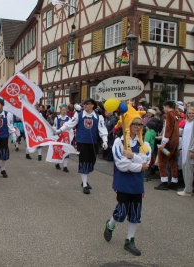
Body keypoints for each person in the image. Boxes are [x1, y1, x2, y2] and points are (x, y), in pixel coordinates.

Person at [103, 104, 151, 256]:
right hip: (123, 182)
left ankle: (129, 240)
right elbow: (121, 165)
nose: (138, 126)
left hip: (137, 183)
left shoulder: (145, 145)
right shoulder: (119, 142)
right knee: (122, 210)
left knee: (135, 213)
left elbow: (147, 162)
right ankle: (110, 224)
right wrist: (139, 166)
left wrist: (133, 157)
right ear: (129, 125)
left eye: (140, 124)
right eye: (135, 124)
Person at [56, 98, 108, 194]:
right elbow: (69, 124)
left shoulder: (98, 117)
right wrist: (60, 130)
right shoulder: (79, 116)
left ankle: (85, 180)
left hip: (93, 143)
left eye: (87, 104)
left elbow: (102, 129)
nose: (85, 105)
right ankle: (84, 184)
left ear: (92, 105)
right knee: (83, 161)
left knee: (91, 162)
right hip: (82, 142)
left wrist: (105, 141)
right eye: (84, 104)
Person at [154, 100, 180, 191]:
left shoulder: (169, 115)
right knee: (173, 162)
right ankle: (174, 182)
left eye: (164, 107)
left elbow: (168, 130)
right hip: (175, 142)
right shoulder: (176, 115)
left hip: (168, 143)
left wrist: (163, 143)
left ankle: (164, 182)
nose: (164, 109)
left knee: (161, 162)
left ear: (167, 106)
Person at [177, 107, 194, 197]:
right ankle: (186, 188)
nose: (191, 115)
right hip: (185, 148)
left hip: (190, 149)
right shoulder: (187, 122)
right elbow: (184, 136)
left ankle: (188, 190)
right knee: (185, 168)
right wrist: (181, 148)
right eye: (189, 113)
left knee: (189, 169)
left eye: (192, 113)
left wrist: (192, 150)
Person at [53, 105, 71, 172]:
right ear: (60, 110)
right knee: (58, 150)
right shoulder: (57, 118)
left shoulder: (69, 119)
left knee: (66, 151)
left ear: (66, 111)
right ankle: (57, 163)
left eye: (65, 110)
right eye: (63, 110)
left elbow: (70, 127)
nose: (64, 111)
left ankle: (65, 166)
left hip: (66, 137)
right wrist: (55, 133)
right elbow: (54, 126)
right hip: (59, 137)